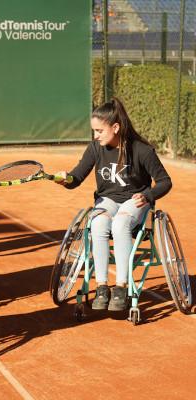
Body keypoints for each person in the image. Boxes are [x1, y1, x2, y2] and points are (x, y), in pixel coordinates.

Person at [55, 97, 172, 311]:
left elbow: (165, 182)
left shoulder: (142, 150)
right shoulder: (95, 149)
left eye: (99, 131)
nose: (95, 135)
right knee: (98, 224)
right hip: (107, 200)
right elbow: (76, 178)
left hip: (134, 201)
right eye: (94, 131)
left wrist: (148, 195)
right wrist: (65, 179)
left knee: (119, 224)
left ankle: (121, 287)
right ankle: (102, 287)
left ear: (115, 127)